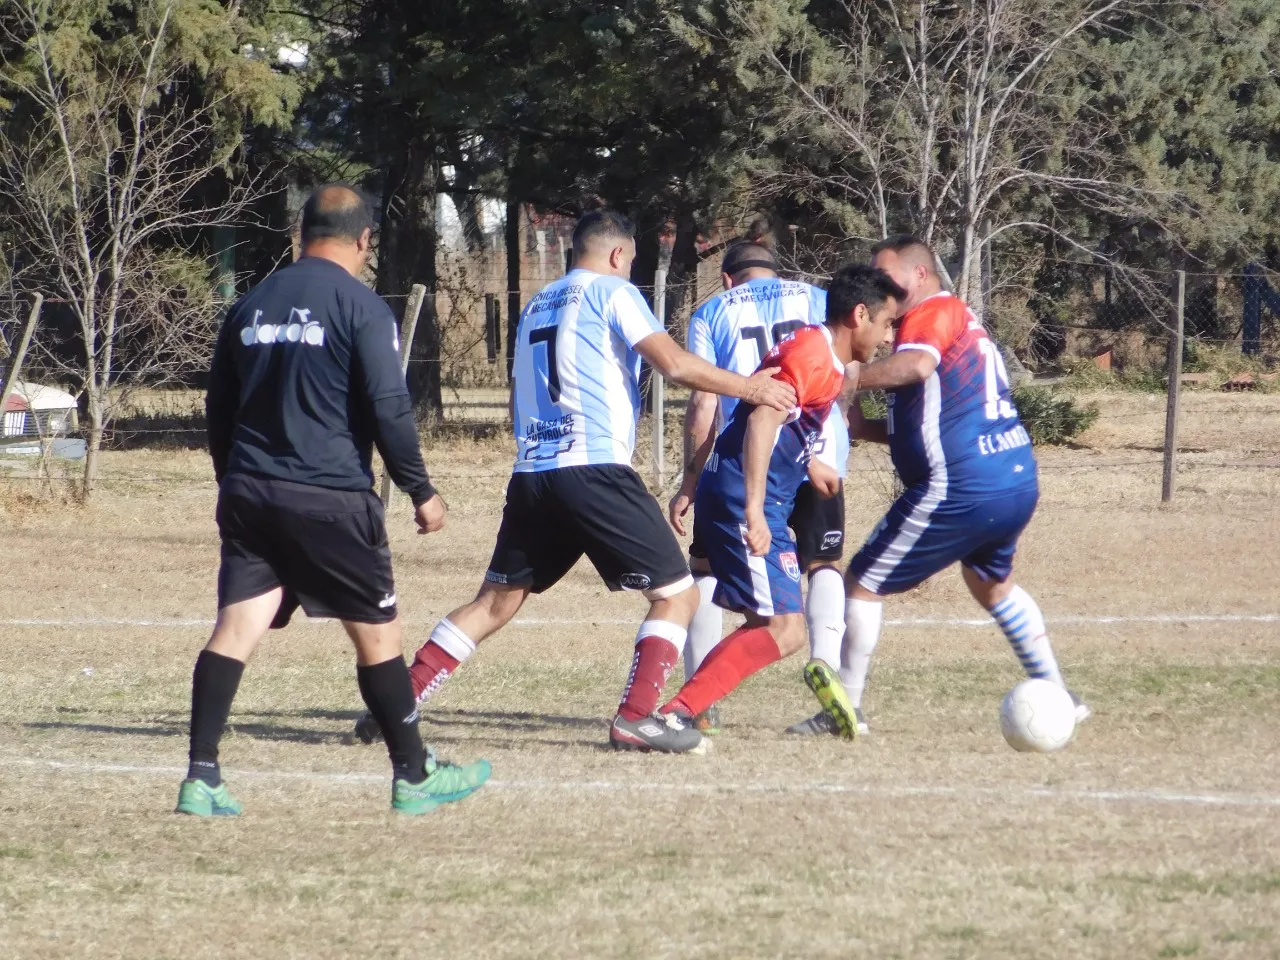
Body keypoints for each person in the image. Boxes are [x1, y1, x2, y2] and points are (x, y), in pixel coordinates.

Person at [352, 210, 796, 754]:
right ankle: (637, 718)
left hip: (535, 471)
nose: (630, 270)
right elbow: (675, 365)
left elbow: (519, 399)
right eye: (630, 260)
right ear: (616, 256)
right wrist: (751, 388)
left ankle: (395, 705)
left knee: (494, 602)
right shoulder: (613, 292)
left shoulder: (537, 303)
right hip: (595, 468)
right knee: (677, 597)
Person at [178, 184, 490, 817]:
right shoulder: (363, 307)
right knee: (378, 635)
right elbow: (389, 408)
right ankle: (414, 773)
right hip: (329, 497)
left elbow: (218, 410)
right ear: (365, 239)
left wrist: (231, 481)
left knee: (236, 627)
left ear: (301, 231)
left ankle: (202, 776)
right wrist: (421, 490)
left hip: (250, 492)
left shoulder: (250, 305)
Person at [790, 235, 1090, 737]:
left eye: (890, 277)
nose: (883, 287)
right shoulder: (929, 329)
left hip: (960, 483)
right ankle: (1058, 692)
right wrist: (854, 417)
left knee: (861, 583)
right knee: (991, 585)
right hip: (1012, 476)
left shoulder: (935, 310)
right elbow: (912, 424)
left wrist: (850, 377)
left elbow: (916, 368)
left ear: (921, 276)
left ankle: (845, 709)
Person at [658, 265, 907, 736]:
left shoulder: (825, 356)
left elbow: (779, 418)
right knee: (785, 628)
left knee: (766, 623)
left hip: (744, 491)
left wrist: (811, 462)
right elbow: (760, 423)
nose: (889, 336)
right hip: (743, 498)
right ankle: (679, 712)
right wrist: (755, 510)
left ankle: (686, 709)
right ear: (859, 315)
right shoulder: (814, 354)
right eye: (887, 323)